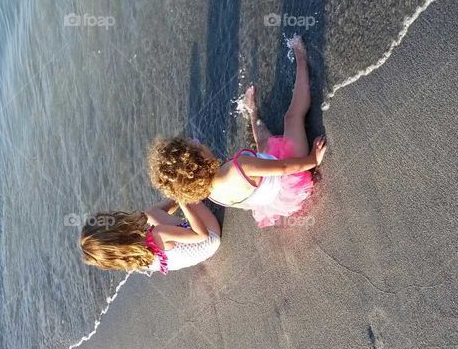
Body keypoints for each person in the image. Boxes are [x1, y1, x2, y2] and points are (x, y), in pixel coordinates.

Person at [147, 36, 327, 228]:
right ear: (198, 160)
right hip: (291, 179)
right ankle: (301, 58)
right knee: (291, 117)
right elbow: (283, 168)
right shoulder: (237, 167)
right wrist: (312, 160)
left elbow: (247, 201)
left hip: (272, 200)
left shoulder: (212, 192)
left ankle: (252, 112)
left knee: (264, 144)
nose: (197, 140)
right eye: (194, 144)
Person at [79, 199, 221, 274]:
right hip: (210, 237)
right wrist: (183, 201)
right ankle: (179, 192)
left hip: (198, 250)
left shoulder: (138, 258)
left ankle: (175, 194)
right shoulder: (159, 234)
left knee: (151, 213)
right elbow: (202, 235)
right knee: (188, 195)